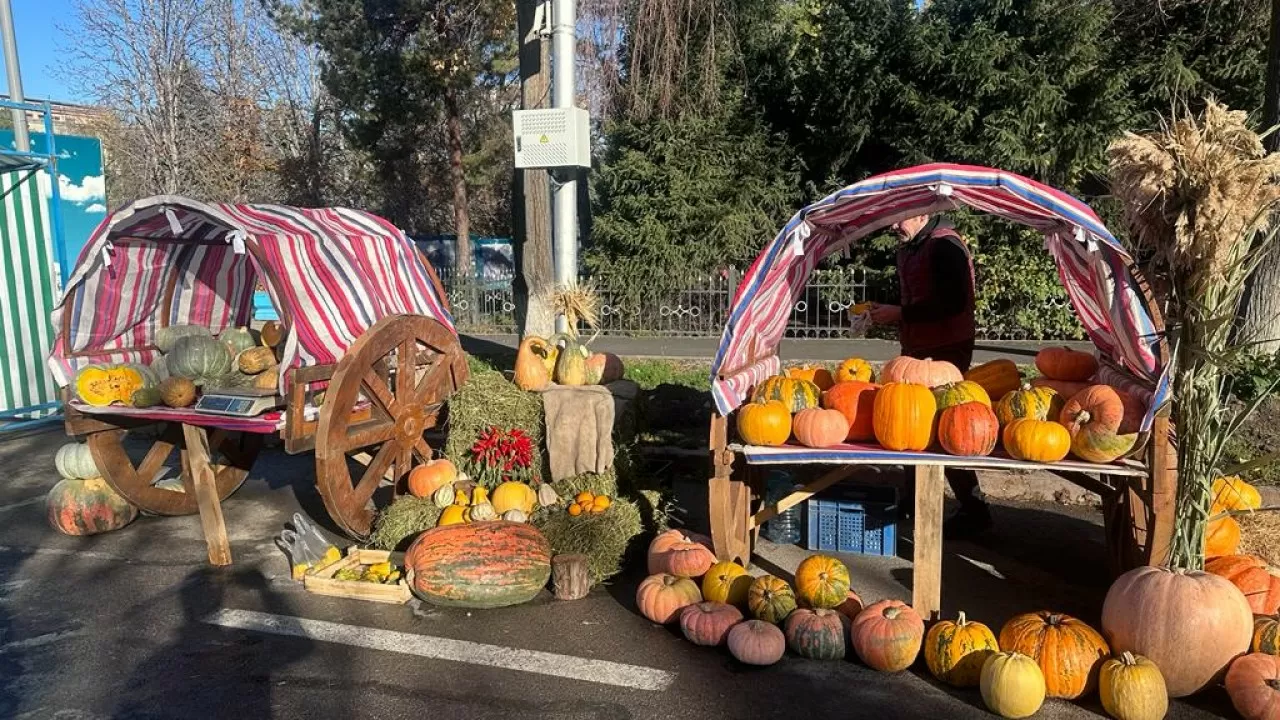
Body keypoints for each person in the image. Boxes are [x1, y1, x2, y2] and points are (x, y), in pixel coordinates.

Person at [867, 213, 993, 537]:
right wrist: (894, 313)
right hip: (921, 345)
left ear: (923, 213)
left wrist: (901, 313)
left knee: (948, 425)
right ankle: (912, 503)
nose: (893, 226)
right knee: (911, 423)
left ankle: (974, 510)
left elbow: (951, 304)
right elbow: (922, 298)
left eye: (900, 219)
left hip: (947, 348)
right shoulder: (913, 246)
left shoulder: (945, 247)